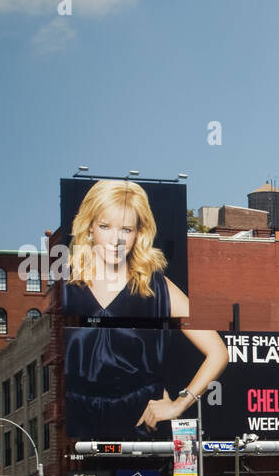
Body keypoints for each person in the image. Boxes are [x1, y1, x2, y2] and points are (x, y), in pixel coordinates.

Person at [62, 179, 228, 439]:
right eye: (105, 226)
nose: (116, 239)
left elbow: (218, 351)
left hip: (142, 429)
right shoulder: (67, 287)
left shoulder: (158, 288)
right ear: (90, 227)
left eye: (126, 229)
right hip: (78, 428)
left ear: (139, 234)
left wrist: (179, 403)